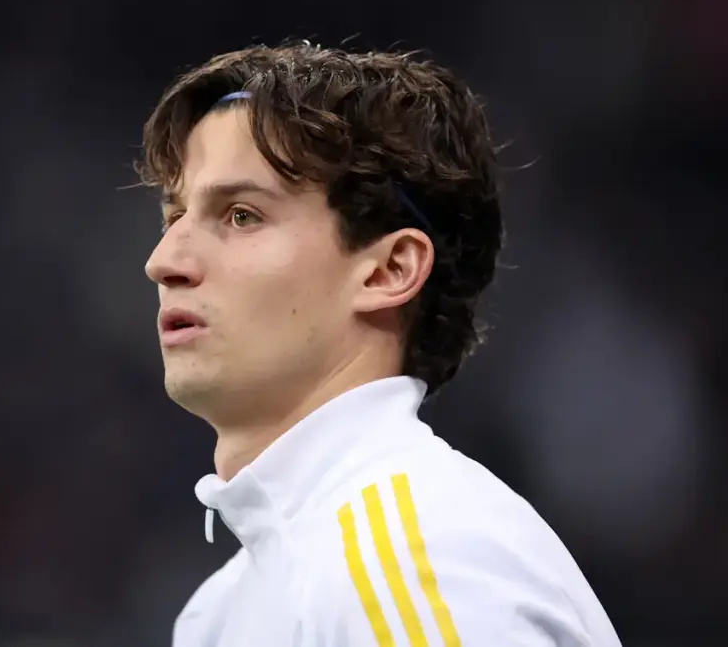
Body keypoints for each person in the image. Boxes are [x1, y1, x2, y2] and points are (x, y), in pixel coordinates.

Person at [139, 42, 621, 647]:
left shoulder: (414, 561)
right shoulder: (220, 613)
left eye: (241, 215)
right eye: (173, 217)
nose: (165, 262)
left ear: (389, 270)